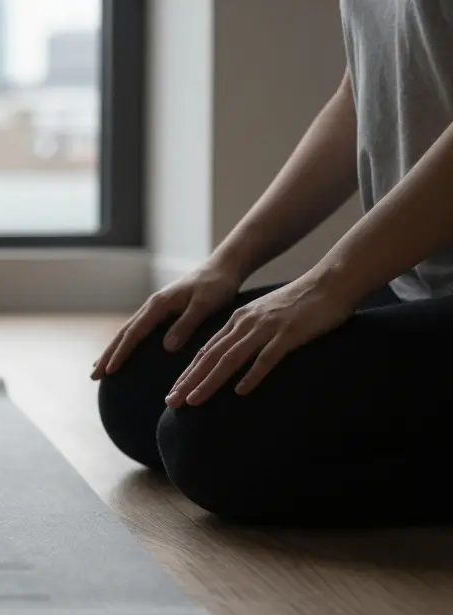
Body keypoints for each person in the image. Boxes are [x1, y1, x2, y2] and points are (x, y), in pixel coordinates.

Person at [93, 0, 453, 528]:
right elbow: (365, 92)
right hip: (420, 282)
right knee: (139, 389)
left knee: (209, 442)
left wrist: (330, 284)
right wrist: (228, 263)